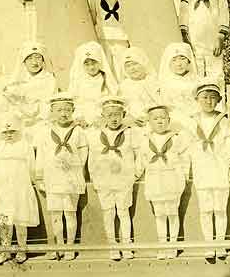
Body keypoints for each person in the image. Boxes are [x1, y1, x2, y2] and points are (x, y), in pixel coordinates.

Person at [33, 93, 88, 260]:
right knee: (55, 214)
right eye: (59, 110)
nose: (63, 113)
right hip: (53, 177)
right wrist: (40, 176)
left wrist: (73, 164)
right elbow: (41, 156)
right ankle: (58, 246)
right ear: (52, 111)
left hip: (71, 178)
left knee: (70, 213)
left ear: (72, 111)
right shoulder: (45, 132)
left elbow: (83, 153)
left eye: (67, 110)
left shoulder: (78, 131)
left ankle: (70, 247)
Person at [188, 82, 230, 262]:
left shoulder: (223, 120)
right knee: (205, 209)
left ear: (218, 100)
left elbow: (229, 140)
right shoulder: (192, 120)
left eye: (212, 97)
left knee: (220, 208)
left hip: (219, 167)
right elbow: (187, 145)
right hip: (202, 168)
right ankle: (209, 245)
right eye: (204, 97)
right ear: (197, 100)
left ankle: (220, 244)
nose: (208, 101)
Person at [87, 95, 139, 260]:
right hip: (104, 180)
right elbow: (93, 158)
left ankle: (126, 246)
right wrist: (95, 178)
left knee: (123, 212)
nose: (114, 118)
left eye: (117, 114)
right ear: (103, 116)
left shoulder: (130, 133)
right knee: (108, 213)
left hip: (124, 180)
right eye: (109, 115)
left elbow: (140, 154)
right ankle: (113, 246)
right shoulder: (96, 135)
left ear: (123, 115)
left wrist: (136, 173)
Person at [138, 102, 189, 259]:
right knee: (159, 214)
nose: (159, 121)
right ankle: (163, 245)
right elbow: (141, 159)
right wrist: (136, 173)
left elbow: (185, 157)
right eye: (155, 119)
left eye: (163, 118)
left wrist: (185, 175)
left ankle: (172, 245)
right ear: (149, 122)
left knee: (172, 213)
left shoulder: (176, 138)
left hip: (171, 178)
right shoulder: (146, 139)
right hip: (155, 179)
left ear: (168, 120)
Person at [0, 115, 40, 264]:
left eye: (12, 131)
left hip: (21, 186)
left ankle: (21, 249)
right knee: (4, 219)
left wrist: (29, 180)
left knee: (20, 217)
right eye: (5, 132)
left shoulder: (25, 145)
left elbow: (31, 166)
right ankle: (5, 251)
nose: (9, 135)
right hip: (3, 187)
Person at [178, 0, 230, 79]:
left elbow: (224, 12)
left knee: (215, 71)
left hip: (212, 38)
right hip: (194, 38)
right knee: (195, 71)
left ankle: (218, 98)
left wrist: (220, 37)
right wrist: (184, 35)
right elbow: (183, 13)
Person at [4, 40, 58, 134]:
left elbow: (49, 104)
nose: (34, 62)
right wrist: (21, 116)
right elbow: (11, 103)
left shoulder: (49, 80)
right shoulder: (16, 80)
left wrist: (37, 119)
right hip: (19, 119)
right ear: (24, 61)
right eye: (30, 58)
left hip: (42, 120)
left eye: (38, 58)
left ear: (43, 60)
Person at [89, 0, 130, 71]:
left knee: (122, 68)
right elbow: (92, 21)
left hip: (122, 40)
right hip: (104, 40)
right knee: (107, 69)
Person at [68, 40, 118, 127]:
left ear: (100, 62)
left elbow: (112, 103)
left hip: (103, 119)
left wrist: (102, 118)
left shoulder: (107, 80)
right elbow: (74, 102)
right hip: (82, 119)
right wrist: (79, 117)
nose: (91, 67)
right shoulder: (78, 82)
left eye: (94, 63)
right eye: (87, 64)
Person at [158, 42, 199, 132]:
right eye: (174, 60)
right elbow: (167, 106)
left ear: (189, 60)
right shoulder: (166, 83)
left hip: (197, 116)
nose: (179, 64)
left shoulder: (197, 81)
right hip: (176, 119)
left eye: (182, 58)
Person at [117, 46, 160, 127]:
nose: (132, 68)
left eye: (135, 64)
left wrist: (149, 117)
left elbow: (160, 102)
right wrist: (131, 118)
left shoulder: (153, 81)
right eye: (128, 66)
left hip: (155, 119)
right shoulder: (124, 86)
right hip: (133, 122)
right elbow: (123, 108)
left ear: (143, 63)